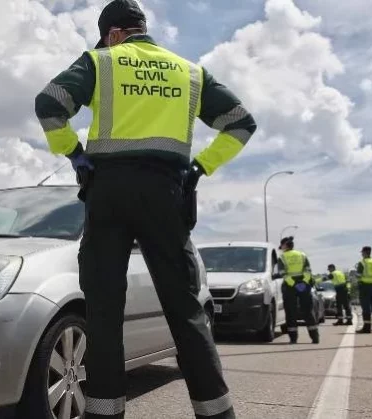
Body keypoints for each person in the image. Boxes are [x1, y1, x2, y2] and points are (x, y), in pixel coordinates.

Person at [33, 1, 256, 417]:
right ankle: (217, 413)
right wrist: (200, 168)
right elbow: (242, 122)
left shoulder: (101, 61)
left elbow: (50, 102)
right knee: (186, 311)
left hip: (109, 193)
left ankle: (105, 411)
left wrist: (75, 154)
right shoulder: (189, 71)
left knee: (103, 313)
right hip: (167, 194)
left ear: (114, 34)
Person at [276, 236, 319, 344]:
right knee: (308, 311)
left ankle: (293, 338)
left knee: (291, 312)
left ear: (285, 245)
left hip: (290, 286)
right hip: (304, 285)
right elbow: (308, 271)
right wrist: (303, 283)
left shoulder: (282, 257)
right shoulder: (302, 255)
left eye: (282, 245)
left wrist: (294, 284)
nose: (281, 247)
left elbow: (283, 274)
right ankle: (315, 337)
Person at [356, 246, 372, 333]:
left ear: (365, 252)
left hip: (364, 287)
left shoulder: (362, 262)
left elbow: (358, 275)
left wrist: (358, 278)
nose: (361, 254)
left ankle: (366, 328)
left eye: (362, 252)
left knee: (366, 307)